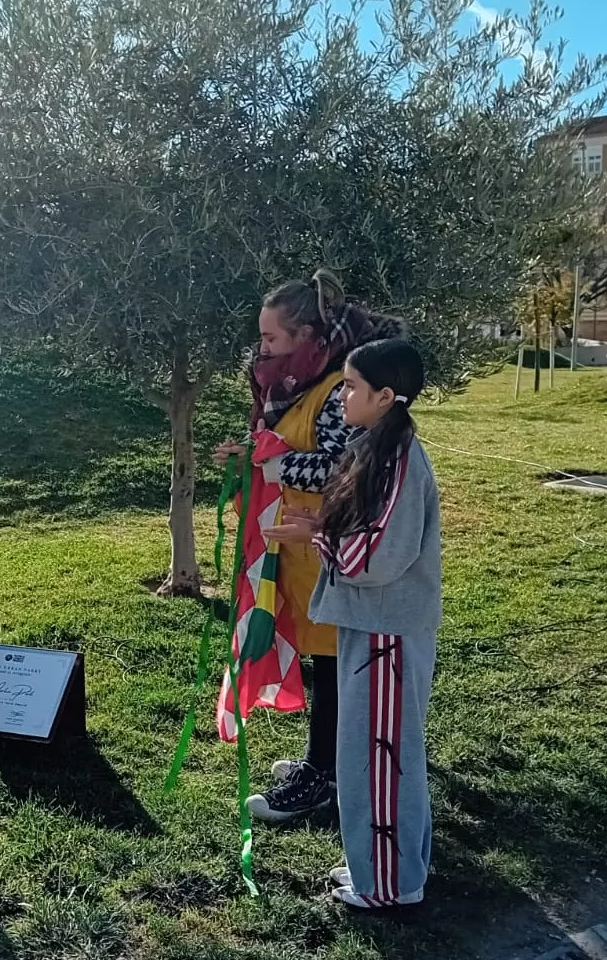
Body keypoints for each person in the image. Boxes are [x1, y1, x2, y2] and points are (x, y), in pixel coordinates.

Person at [214, 271, 401, 827]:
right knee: (326, 665)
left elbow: (343, 467)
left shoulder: (332, 394)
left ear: (307, 339)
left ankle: (325, 776)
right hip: (304, 553)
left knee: (333, 665)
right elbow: (293, 449)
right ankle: (324, 761)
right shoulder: (305, 390)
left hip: (329, 552)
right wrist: (251, 453)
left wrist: (270, 463)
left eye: (272, 340)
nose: (262, 351)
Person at [265, 338, 442, 909]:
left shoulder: (396, 459)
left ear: (387, 396)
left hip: (387, 628)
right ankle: (378, 869)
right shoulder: (376, 448)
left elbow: (378, 555)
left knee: (383, 756)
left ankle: (391, 886)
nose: (341, 396)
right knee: (367, 754)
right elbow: (363, 530)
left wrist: (315, 536)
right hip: (371, 624)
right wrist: (317, 522)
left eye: (351, 387)